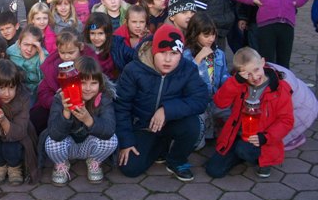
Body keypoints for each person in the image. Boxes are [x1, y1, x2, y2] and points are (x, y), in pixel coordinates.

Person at [115, 24, 209, 180]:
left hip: (171, 122)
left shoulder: (187, 69)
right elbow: (121, 106)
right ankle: (159, 147)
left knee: (193, 125)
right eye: (162, 52)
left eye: (174, 53)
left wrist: (167, 110)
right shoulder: (133, 70)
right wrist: (126, 141)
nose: (168, 59)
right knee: (130, 168)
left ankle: (176, 160)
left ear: (181, 53)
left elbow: (201, 99)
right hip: (142, 126)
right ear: (153, 51)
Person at [205, 47, 294, 179]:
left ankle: (263, 160)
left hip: (263, 139)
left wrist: (265, 137)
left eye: (256, 70)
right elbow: (220, 102)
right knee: (214, 170)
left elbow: (286, 121)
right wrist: (235, 82)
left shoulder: (279, 89)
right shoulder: (239, 84)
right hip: (237, 134)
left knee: (243, 149)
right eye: (248, 74)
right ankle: (239, 155)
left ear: (262, 62)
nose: (254, 77)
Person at [44, 56, 118, 185]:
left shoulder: (104, 98)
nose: (88, 88)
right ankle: (61, 164)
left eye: (93, 83)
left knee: (112, 140)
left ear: (100, 83)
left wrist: (89, 119)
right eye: (83, 83)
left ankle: (94, 161)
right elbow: (55, 134)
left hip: (89, 145)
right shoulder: (61, 98)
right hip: (67, 146)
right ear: (73, 82)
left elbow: (109, 130)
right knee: (51, 143)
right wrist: (66, 112)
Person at [30, 30, 98, 134]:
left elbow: (97, 85)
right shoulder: (53, 66)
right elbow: (43, 91)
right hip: (59, 106)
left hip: (85, 105)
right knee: (37, 116)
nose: (66, 57)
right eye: (62, 53)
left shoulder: (89, 63)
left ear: (81, 47)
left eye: (71, 53)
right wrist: (57, 102)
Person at [183, 12, 230, 145]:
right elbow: (184, 80)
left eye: (213, 35)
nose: (211, 39)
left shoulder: (219, 54)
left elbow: (224, 76)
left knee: (235, 119)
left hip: (216, 101)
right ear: (195, 34)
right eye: (206, 35)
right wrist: (197, 60)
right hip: (197, 105)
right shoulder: (186, 55)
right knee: (197, 145)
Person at [83, 12, 135, 81]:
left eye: (100, 33)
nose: (96, 38)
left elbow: (134, 57)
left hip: (117, 83)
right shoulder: (84, 50)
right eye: (92, 33)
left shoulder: (117, 45)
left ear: (107, 33)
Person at [6, 24, 48, 101]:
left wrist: (41, 53)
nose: (29, 49)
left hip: (35, 91)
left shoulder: (43, 55)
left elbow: (46, 77)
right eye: (26, 44)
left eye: (34, 46)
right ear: (19, 43)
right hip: (15, 87)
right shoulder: (10, 52)